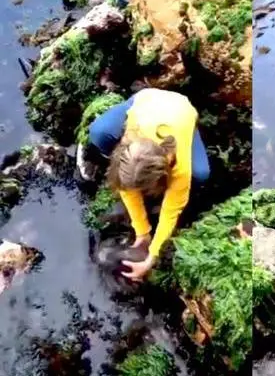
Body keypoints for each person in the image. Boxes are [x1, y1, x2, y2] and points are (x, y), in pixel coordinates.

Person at [77, 88, 211, 280]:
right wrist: (142, 231)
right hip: (145, 100)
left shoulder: (180, 168)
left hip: (183, 111)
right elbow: (125, 188)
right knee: (99, 133)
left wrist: (153, 256)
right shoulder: (131, 139)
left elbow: (170, 212)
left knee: (201, 175)